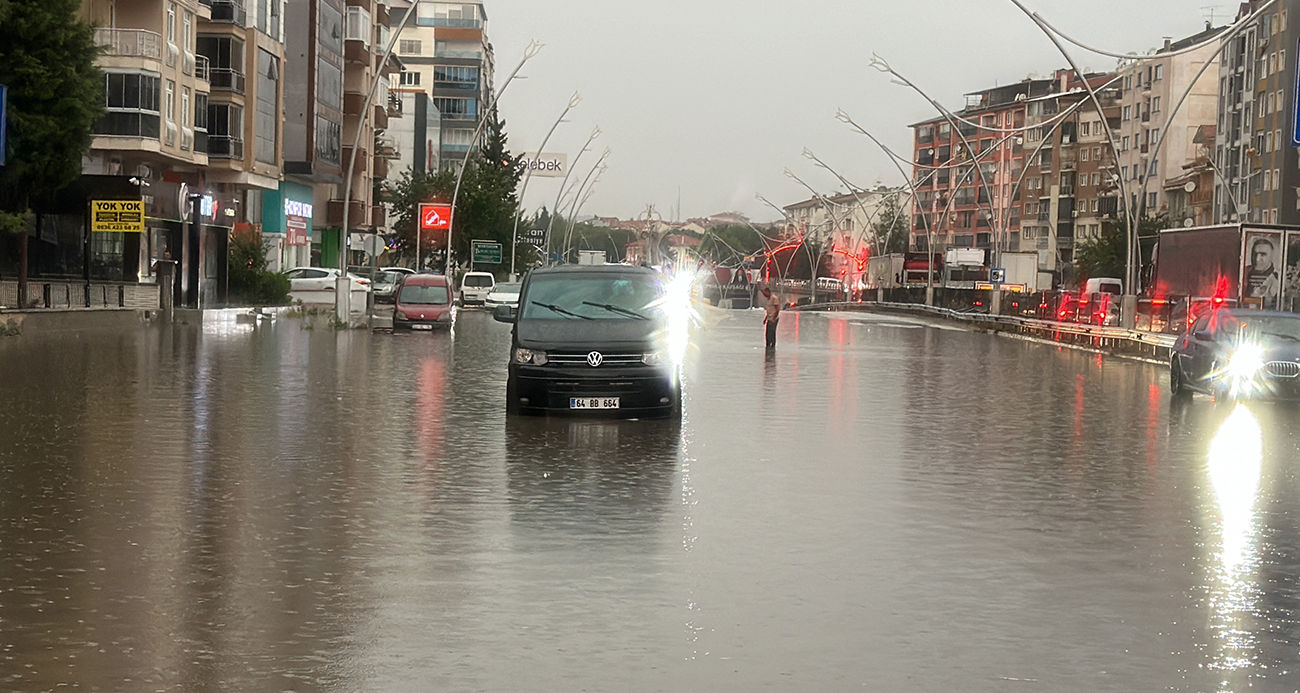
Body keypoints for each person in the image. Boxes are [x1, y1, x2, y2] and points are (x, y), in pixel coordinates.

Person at [1246, 237, 1281, 309]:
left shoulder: (1277, 277)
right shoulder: (1245, 272)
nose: (1257, 259)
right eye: (1255, 254)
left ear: (1272, 256)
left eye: (1263, 254)